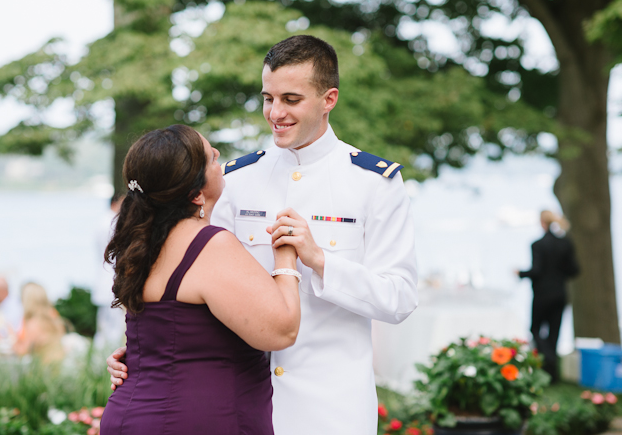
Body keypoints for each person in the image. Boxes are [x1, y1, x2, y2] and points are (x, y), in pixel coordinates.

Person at [108, 35, 419, 434]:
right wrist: (144, 352)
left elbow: (400, 299)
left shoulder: (374, 184)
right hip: (242, 405)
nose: (275, 112)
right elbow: (192, 282)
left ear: (329, 99)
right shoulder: (236, 179)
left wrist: (320, 260)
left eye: (291, 99)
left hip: (331, 410)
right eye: (268, 98)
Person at [98, 125, 301, 434]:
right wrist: (286, 256)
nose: (218, 155)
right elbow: (281, 331)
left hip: (130, 415)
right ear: (195, 194)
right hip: (194, 420)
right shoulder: (209, 245)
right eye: (209, 158)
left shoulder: (139, 244)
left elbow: (168, 331)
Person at [518, 210, 579, 383]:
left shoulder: (537, 245)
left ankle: (549, 360)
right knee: (554, 334)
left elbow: (536, 270)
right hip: (560, 294)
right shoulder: (565, 243)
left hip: (542, 295)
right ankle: (552, 375)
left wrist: (521, 273)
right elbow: (574, 270)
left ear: (542, 223)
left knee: (535, 329)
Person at [92, 193, 126, 349]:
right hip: (112, 281)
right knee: (114, 329)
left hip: (104, 280)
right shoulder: (113, 223)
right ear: (116, 202)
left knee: (104, 328)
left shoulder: (102, 221)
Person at [12, 282, 65, 364]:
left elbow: (22, 351)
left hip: (43, 369)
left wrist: (11, 336)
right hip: (57, 365)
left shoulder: (33, 323)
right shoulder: (54, 318)